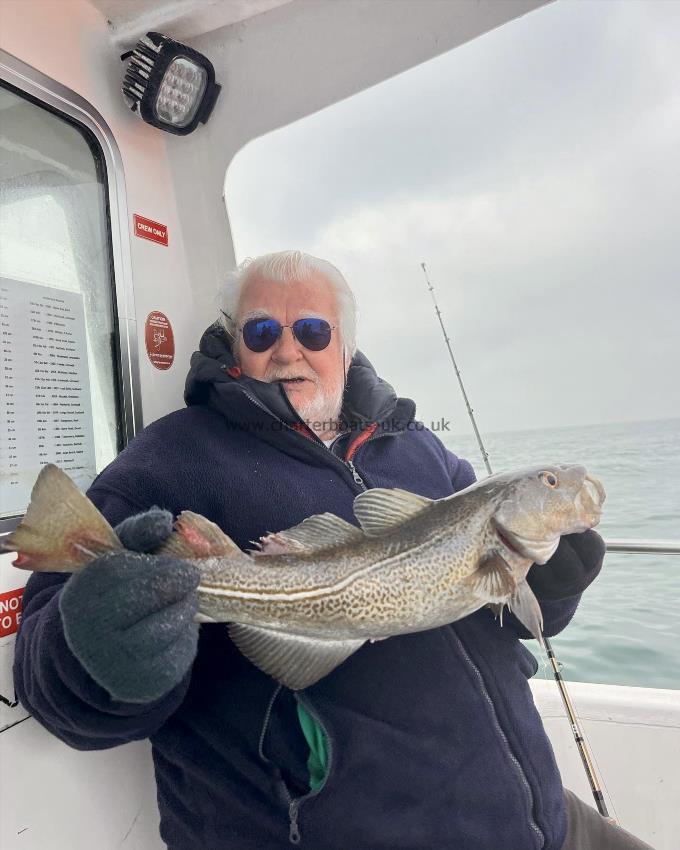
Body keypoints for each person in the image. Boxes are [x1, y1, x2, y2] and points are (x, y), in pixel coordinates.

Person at [14, 251, 653, 850]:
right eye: (262, 331)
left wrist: (554, 584)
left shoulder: (420, 449)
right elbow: (52, 688)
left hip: (537, 815)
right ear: (236, 346)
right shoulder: (167, 458)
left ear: (344, 349)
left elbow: (509, 614)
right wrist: (99, 651)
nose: (288, 349)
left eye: (313, 331)